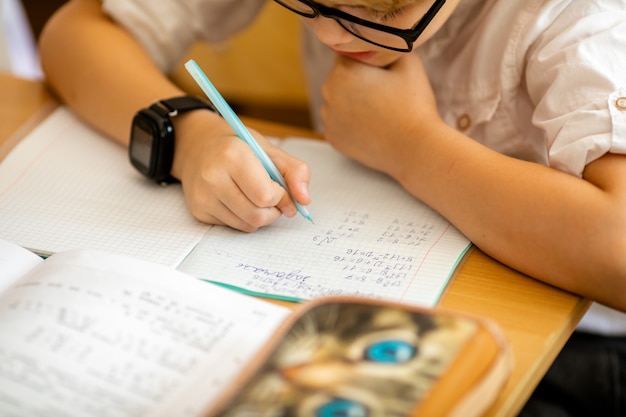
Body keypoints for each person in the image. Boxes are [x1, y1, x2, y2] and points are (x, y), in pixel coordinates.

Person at [39, 0, 625, 415]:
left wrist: (411, 146)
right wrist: (189, 137)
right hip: (360, 309)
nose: (330, 36)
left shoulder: (583, 20)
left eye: (388, 12)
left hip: (576, 351)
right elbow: (74, 32)